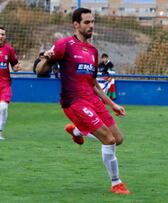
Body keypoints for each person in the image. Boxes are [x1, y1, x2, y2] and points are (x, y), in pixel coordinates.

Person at [36, 8, 130, 195]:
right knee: (108, 140)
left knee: (118, 139)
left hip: (92, 99)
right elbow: (39, 71)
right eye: (87, 22)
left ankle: (77, 130)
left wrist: (112, 104)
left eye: (92, 22)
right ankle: (116, 183)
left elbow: (93, 83)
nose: (91, 26)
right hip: (74, 102)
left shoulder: (93, 51)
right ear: (76, 24)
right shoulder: (65, 44)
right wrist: (47, 58)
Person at [0, 27, 21, 140]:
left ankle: (0, 131)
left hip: (4, 85)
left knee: (3, 108)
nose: (1, 36)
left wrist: (16, 67)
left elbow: (14, 65)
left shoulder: (9, 49)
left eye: (3, 34)